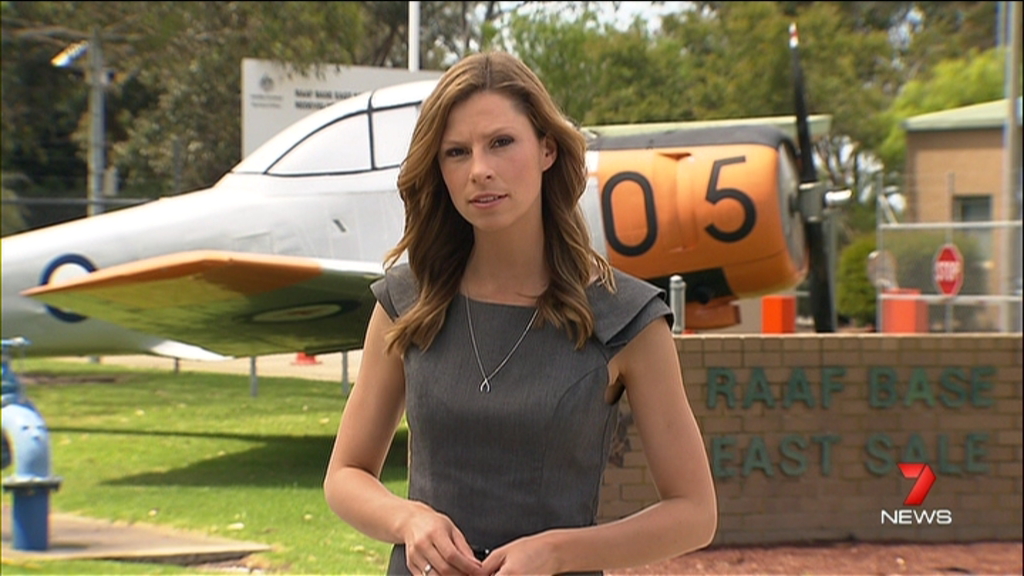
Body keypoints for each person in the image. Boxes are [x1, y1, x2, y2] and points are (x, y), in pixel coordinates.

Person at [323, 50, 717, 576]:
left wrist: (556, 552)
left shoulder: (625, 318)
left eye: (501, 143)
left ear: (547, 148)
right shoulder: (407, 301)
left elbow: (694, 513)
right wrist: (409, 520)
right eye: (456, 152)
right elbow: (345, 474)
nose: (480, 170)